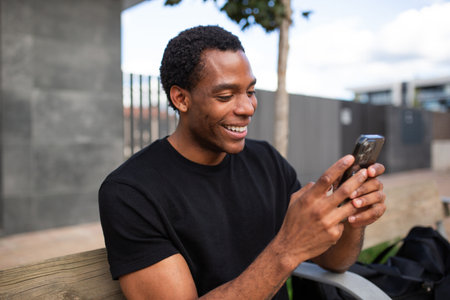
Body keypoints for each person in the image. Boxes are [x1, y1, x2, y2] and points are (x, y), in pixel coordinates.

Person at [99, 25, 386, 299]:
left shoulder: (266, 161)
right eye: (226, 96)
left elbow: (333, 262)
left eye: (250, 91)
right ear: (181, 99)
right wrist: (287, 248)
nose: (248, 108)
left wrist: (352, 216)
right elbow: (291, 248)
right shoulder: (131, 193)